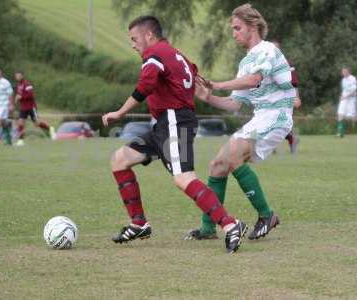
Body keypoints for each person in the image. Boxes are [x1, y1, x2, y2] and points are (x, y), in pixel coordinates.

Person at [102, 15, 247, 253]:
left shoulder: (155, 54)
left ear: (149, 35)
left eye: (134, 38)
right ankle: (139, 223)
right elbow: (194, 75)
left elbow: (145, 85)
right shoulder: (176, 54)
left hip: (173, 121)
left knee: (183, 178)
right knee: (120, 160)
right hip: (165, 123)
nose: (133, 44)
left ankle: (230, 225)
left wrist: (119, 112)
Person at [186, 3, 295, 241]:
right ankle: (207, 229)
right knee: (217, 164)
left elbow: (254, 80)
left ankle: (267, 215)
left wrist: (217, 84)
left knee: (232, 156)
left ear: (253, 26)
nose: (234, 33)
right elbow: (234, 104)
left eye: (237, 28)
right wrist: (209, 97)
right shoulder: (245, 62)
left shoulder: (267, 50)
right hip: (261, 117)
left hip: (277, 116)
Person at [273, 41, 302, 154]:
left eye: (275, 48)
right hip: (272, 98)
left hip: (285, 98)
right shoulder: (264, 63)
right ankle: (274, 145)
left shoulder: (286, 64)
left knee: (281, 124)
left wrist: (297, 97)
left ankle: (291, 139)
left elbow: (294, 84)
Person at [14, 71, 55, 145]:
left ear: (22, 76)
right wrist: (17, 98)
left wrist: (21, 97)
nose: (17, 77)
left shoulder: (27, 84)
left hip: (31, 107)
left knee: (37, 123)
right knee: (21, 123)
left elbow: (30, 95)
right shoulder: (18, 85)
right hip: (23, 108)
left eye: (19, 75)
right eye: (16, 76)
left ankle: (50, 128)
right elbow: (19, 94)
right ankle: (20, 141)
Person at [336, 67, 357, 138]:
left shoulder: (353, 79)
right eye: (342, 72)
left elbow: (354, 91)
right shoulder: (343, 80)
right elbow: (344, 90)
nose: (343, 73)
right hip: (344, 98)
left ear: (348, 72)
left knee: (351, 117)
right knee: (340, 113)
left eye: (344, 72)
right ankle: (340, 133)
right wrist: (342, 96)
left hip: (351, 99)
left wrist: (346, 96)